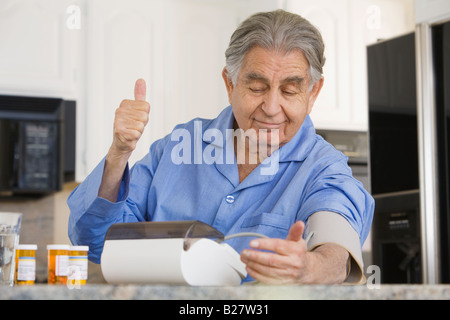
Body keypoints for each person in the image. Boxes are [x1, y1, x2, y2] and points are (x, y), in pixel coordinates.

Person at [68, 9, 374, 284]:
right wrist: (118, 153)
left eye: (290, 90)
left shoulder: (324, 168)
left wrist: (308, 267)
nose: (271, 107)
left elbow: (337, 254)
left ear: (313, 91)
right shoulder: (177, 147)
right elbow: (96, 243)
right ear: (230, 84)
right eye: (257, 87)